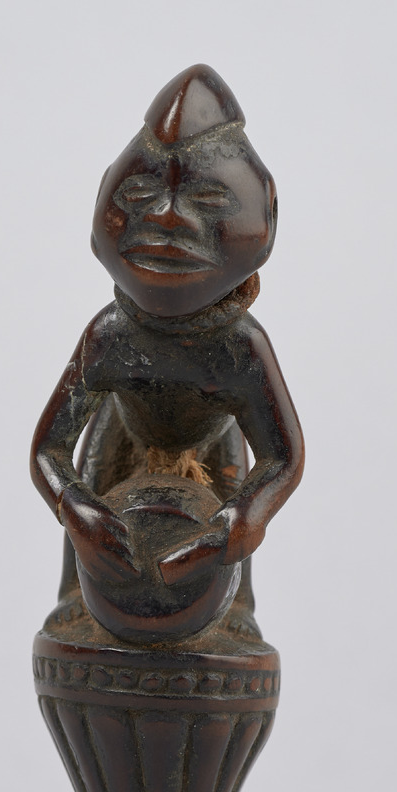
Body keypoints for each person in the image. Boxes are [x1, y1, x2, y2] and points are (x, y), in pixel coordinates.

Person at [30, 64, 305, 642]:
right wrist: (78, 512)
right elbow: (49, 451)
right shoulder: (110, 337)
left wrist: (238, 524)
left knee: (232, 498)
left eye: (207, 198)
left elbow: (281, 459)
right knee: (91, 496)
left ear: (267, 214)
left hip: (211, 445)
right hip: (120, 433)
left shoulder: (240, 350)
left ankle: (238, 605)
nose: (166, 216)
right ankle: (73, 593)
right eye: (139, 194)